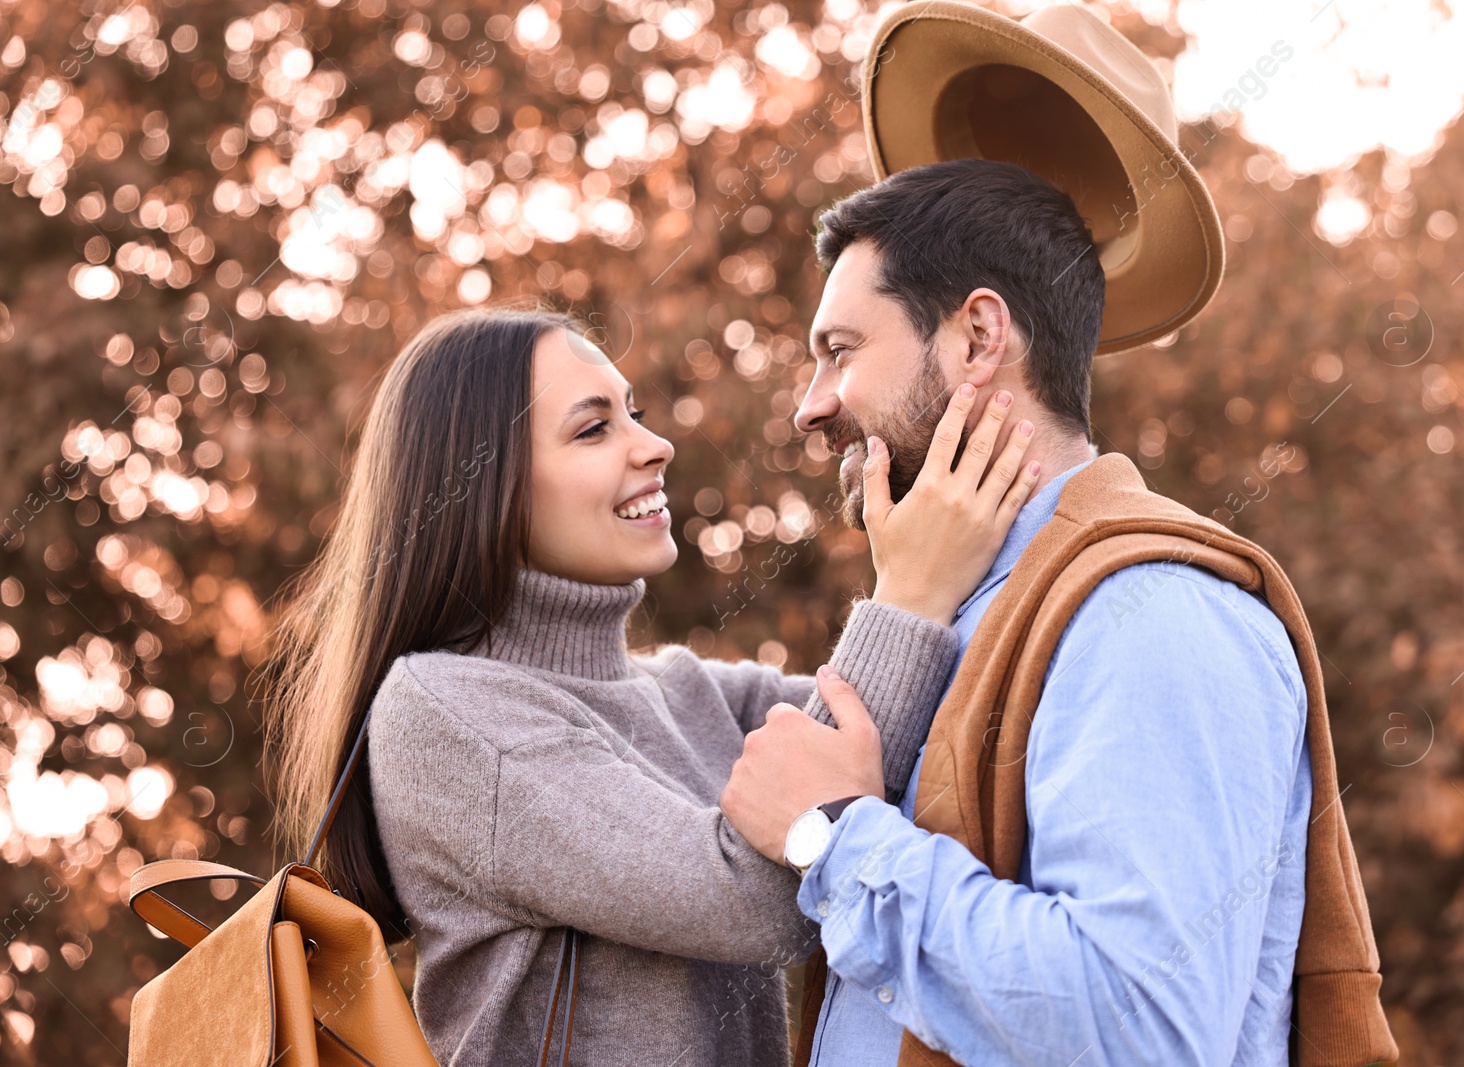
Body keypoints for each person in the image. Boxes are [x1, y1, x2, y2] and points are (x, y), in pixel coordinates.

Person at [719, 79, 1392, 1067]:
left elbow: (1135, 1025)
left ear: (979, 337)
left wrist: (832, 839)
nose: (809, 407)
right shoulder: (964, 614)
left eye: (840, 352)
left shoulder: (1145, 609)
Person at [260, 305, 1042, 1067]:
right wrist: (910, 590)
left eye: (635, 414)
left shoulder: (687, 692)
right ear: (483, 485)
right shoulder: (447, 711)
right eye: (595, 427)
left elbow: (911, 726)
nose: (656, 445)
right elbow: (757, 901)